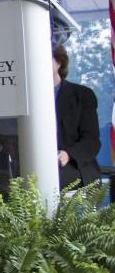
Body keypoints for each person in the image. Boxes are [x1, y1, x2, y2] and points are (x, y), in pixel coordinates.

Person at [52, 45, 101, 187]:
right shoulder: (27, 99)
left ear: (59, 62)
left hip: (75, 164)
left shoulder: (82, 95)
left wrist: (68, 154)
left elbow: (91, 141)